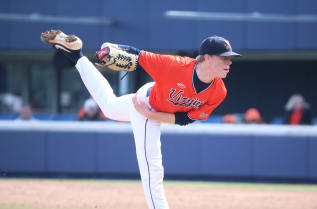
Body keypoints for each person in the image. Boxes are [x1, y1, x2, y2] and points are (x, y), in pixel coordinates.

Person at [41, 29, 241, 209]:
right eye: (224, 58)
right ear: (207, 57)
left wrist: (151, 115)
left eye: (229, 58)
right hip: (148, 103)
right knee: (152, 168)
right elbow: (139, 55)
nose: (229, 62)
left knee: (109, 107)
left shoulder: (218, 91)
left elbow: (186, 119)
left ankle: (77, 56)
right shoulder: (175, 65)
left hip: (152, 110)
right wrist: (112, 48)